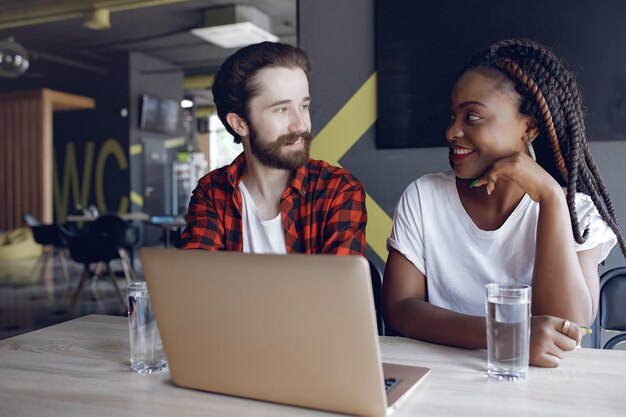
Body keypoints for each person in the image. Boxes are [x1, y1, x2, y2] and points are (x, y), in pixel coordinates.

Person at [382, 39, 626, 368]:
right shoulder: (424, 198)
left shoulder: (577, 212)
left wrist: (551, 198)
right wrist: (505, 335)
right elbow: (401, 309)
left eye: (473, 117)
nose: (452, 131)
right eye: (453, 116)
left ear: (530, 127)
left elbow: (567, 324)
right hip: (441, 382)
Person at [180, 42, 367, 255]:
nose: (301, 125)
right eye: (281, 109)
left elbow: (340, 286)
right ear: (239, 124)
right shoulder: (212, 192)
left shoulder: (338, 190)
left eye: (304, 106)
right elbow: (198, 281)